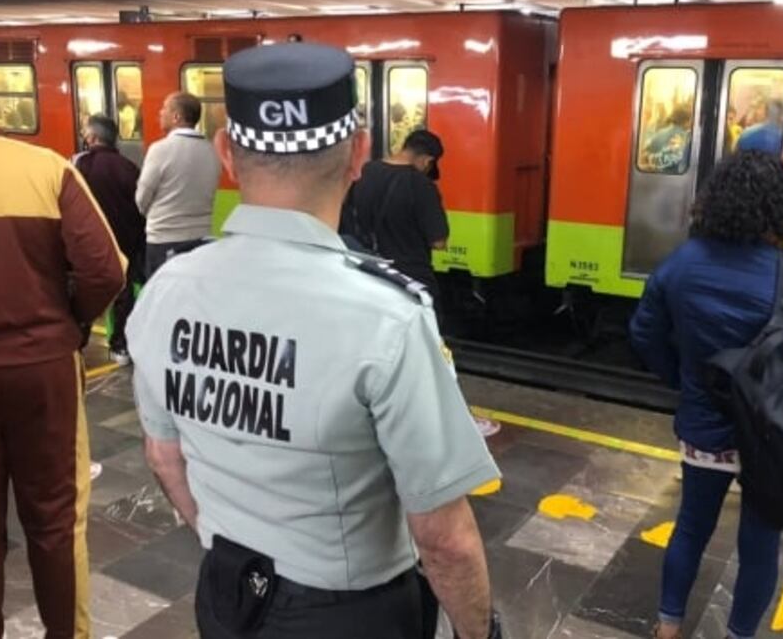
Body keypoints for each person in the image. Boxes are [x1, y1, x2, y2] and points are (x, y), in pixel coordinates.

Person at [126, 42, 502, 639]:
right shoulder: (387, 317)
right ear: (359, 153)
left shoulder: (166, 292)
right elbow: (443, 536)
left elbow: (164, 457)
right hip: (352, 616)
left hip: (225, 594)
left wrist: (229, 551)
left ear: (226, 154)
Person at [630, 151, 783, 639]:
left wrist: (683, 380)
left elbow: (644, 333)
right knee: (759, 541)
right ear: (782, 208)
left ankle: (668, 627)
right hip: (774, 437)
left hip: (705, 427)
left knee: (691, 526)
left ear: (714, 201)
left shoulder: (682, 262)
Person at [0, 88, 126, 638]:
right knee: (55, 522)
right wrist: (73, 322)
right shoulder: (44, 168)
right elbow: (105, 270)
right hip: (41, 367)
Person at [341, 129, 449, 308]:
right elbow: (438, 242)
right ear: (427, 161)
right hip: (410, 278)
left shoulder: (363, 172)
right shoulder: (421, 185)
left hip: (369, 272)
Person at [74, 113, 145, 365]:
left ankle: (77, 345)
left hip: (89, 244)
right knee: (124, 293)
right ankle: (120, 346)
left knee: (85, 291)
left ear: (92, 138)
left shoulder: (80, 165)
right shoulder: (129, 168)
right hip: (124, 241)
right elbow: (141, 206)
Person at [135, 91, 221, 278]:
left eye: (164, 108)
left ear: (176, 117)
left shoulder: (159, 150)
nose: (160, 113)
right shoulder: (212, 151)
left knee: (163, 298)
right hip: (201, 238)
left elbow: (141, 199)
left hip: (163, 241)